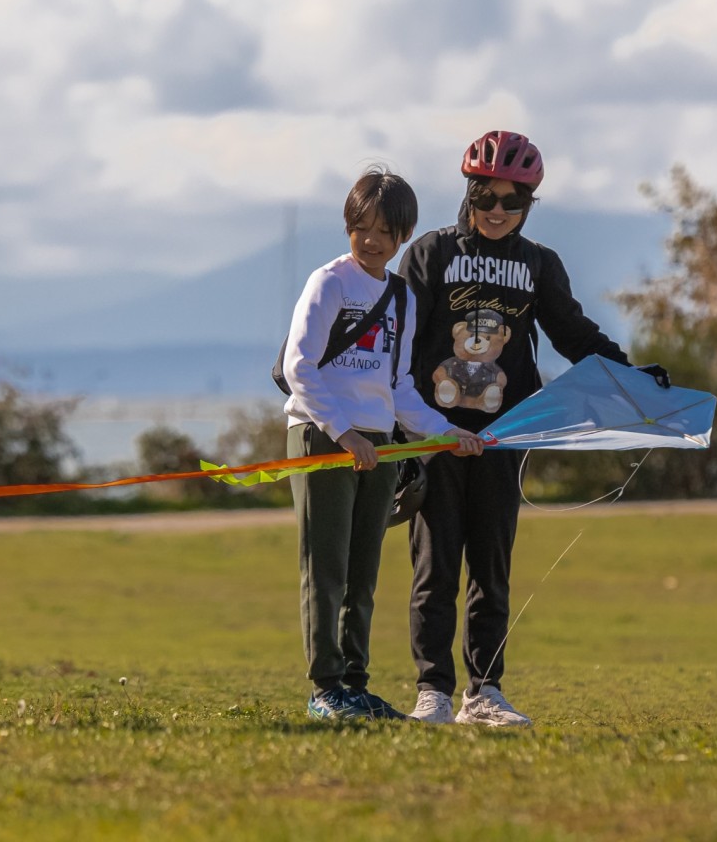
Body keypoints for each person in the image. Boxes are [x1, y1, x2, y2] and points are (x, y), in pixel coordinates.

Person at [400, 130, 667, 728]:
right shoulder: (430, 253)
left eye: (513, 201)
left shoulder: (539, 264)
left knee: (490, 570)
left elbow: (574, 335)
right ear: (468, 193)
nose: (497, 211)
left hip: (506, 436)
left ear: (529, 204)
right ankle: (432, 693)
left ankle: (484, 694)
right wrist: (404, 429)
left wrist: (631, 376)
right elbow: (401, 345)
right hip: (436, 437)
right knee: (435, 570)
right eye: (485, 197)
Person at [281, 167, 483, 721]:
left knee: (362, 572)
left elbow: (399, 389)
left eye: (384, 231)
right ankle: (325, 690)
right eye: (361, 227)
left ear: (403, 235)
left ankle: (355, 684)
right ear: (348, 225)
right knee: (325, 568)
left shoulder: (401, 297)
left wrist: (445, 434)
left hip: (380, 446)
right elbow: (300, 367)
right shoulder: (329, 282)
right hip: (323, 436)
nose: (370, 240)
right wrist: (343, 434)